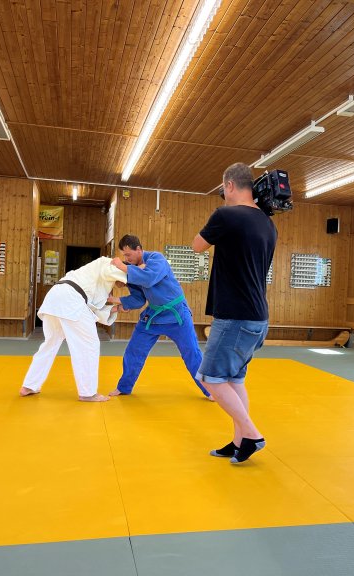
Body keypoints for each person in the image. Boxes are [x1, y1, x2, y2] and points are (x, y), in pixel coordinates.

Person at [192, 162, 277, 464]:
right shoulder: (267, 222)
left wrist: (219, 221)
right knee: (235, 379)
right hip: (258, 316)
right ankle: (239, 441)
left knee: (212, 379)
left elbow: (197, 245)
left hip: (235, 316)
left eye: (222, 188)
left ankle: (252, 435)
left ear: (229, 185)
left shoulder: (226, 215)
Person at [106, 234, 211, 399]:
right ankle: (124, 387)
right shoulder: (133, 268)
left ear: (139, 249)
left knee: (192, 353)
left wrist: (123, 267)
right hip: (153, 316)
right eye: (124, 256)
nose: (126, 258)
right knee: (134, 350)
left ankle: (210, 391)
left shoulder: (157, 259)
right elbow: (138, 299)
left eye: (128, 254)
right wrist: (117, 303)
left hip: (177, 316)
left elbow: (148, 278)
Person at [20, 256, 126, 402]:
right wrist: (139, 269)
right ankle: (88, 392)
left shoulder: (97, 280)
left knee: (50, 344)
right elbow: (130, 275)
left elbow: (93, 309)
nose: (124, 285)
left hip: (56, 297)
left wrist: (117, 308)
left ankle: (29, 385)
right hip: (70, 299)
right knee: (89, 344)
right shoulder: (108, 263)